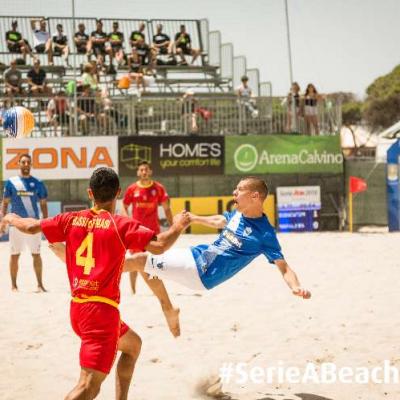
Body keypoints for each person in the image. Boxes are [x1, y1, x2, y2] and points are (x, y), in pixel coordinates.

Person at [0, 167, 189, 400]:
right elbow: (160, 245)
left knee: (133, 345)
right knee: (88, 387)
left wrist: (11, 217)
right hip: (101, 313)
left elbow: (31, 227)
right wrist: (178, 225)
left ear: (90, 193)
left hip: (78, 309)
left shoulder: (71, 219)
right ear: (118, 193)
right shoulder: (121, 224)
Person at [124, 177, 311, 300]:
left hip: (200, 274)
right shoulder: (238, 214)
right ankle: (167, 308)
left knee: (139, 260)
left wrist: (296, 287)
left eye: (240, 189)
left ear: (255, 196)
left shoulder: (265, 234)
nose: (234, 192)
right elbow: (220, 221)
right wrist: (195, 218)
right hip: (195, 255)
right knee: (143, 261)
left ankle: (104, 276)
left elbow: (284, 268)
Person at [122, 161, 174, 294]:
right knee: (134, 261)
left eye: (146, 169)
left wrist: (173, 226)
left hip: (153, 232)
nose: (144, 172)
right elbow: (124, 206)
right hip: (136, 232)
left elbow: (167, 209)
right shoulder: (132, 189)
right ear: (138, 172)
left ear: (150, 171)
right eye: (141, 170)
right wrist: (127, 222)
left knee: (155, 261)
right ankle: (133, 291)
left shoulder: (158, 188)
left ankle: (156, 290)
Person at [0, 153, 48, 292]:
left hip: (33, 225)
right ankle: (14, 286)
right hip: (16, 225)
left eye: (28, 162)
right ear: (19, 164)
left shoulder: (38, 183)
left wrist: (45, 223)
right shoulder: (11, 182)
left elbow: (43, 204)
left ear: (31, 164)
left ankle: (40, 285)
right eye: (23, 162)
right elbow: (5, 203)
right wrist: (3, 221)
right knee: (15, 255)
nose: (26, 164)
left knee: (36, 254)